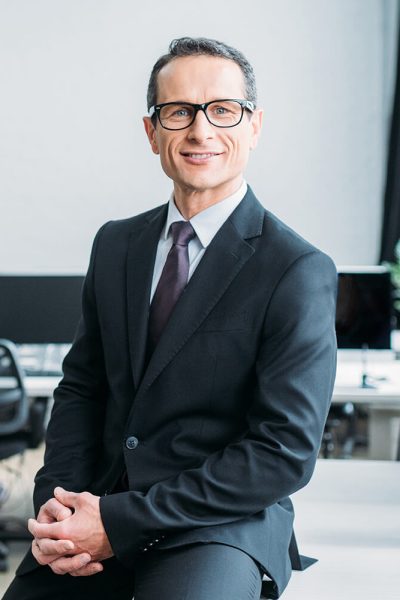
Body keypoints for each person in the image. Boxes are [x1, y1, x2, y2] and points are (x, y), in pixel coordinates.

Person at [3, 37, 337, 600]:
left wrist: (120, 520)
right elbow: (82, 390)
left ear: (253, 126)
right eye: (177, 111)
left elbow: (282, 452)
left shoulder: (296, 268)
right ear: (151, 131)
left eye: (222, 110)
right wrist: (57, 506)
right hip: (98, 506)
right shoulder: (116, 245)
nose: (200, 131)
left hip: (216, 528)